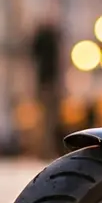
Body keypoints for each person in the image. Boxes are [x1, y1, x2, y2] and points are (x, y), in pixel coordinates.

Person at [31, 22, 62, 159]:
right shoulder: (50, 41)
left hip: (44, 83)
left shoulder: (42, 43)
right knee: (48, 121)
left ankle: (45, 149)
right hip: (48, 83)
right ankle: (45, 149)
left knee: (45, 121)